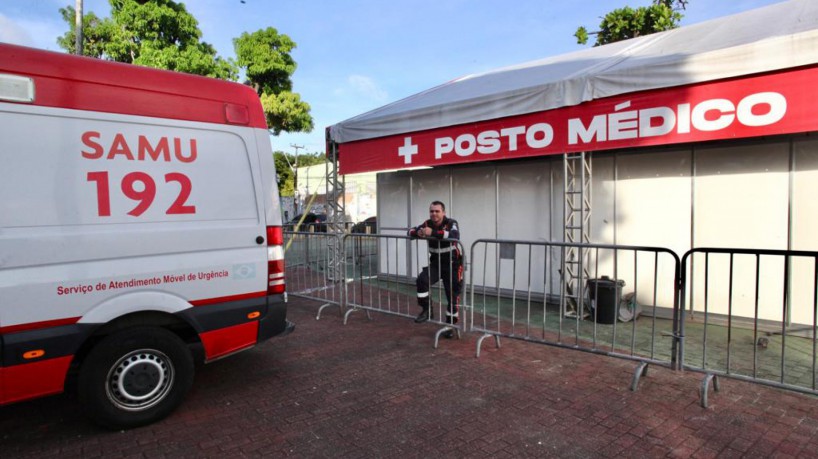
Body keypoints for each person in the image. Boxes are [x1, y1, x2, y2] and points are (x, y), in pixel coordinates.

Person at [407, 201, 463, 335]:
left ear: (443, 212)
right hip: (436, 264)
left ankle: (450, 327)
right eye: (432, 211)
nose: (434, 214)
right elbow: (409, 232)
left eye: (437, 211)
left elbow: (455, 236)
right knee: (422, 280)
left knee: (452, 297)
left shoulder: (451, 223)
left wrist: (433, 233)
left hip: (452, 264)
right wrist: (418, 232)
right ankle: (427, 310)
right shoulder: (427, 223)